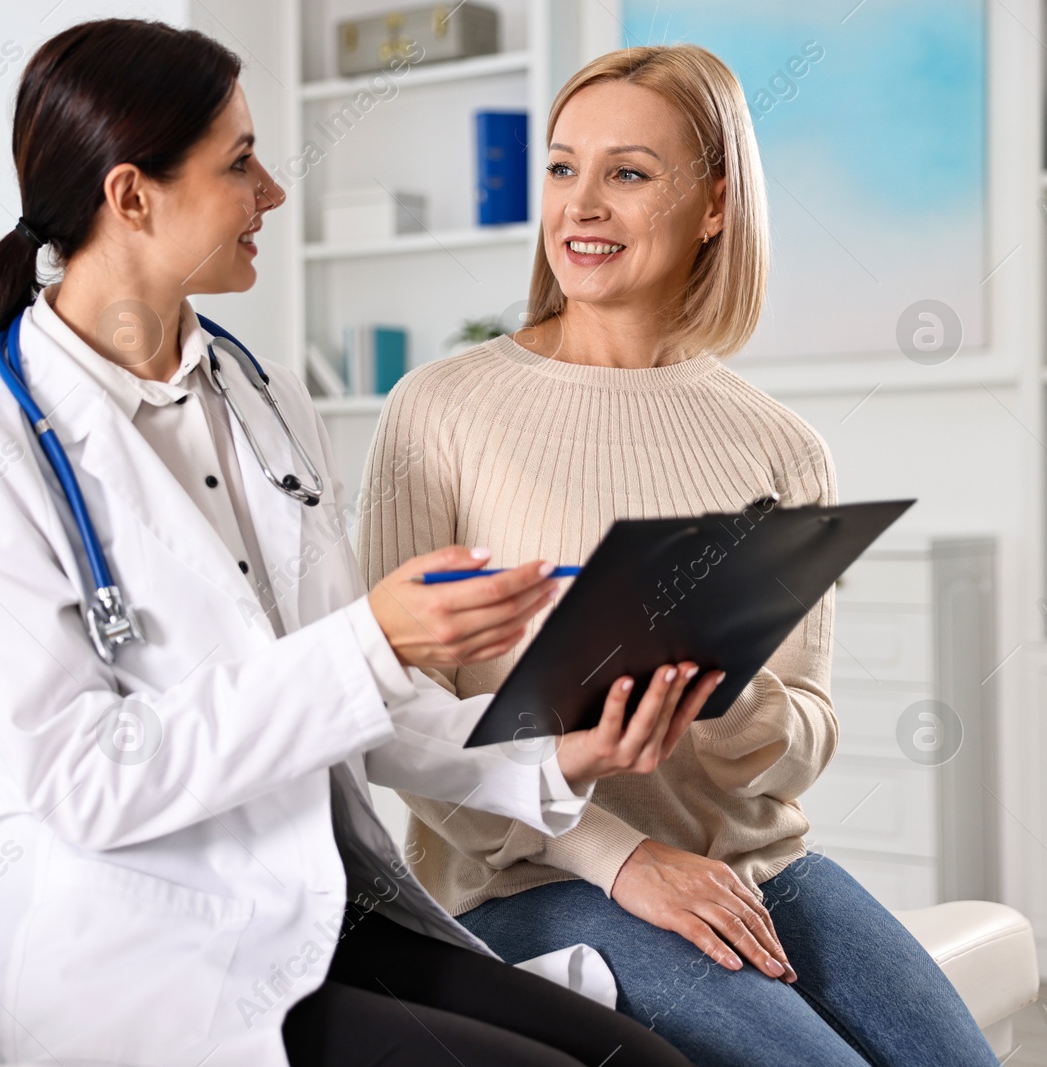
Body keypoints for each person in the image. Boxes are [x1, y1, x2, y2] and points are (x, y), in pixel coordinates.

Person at [0, 19, 711, 1067]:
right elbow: (85, 781)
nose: (272, 192)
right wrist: (372, 640)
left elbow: (359, 706)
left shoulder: (267, 401)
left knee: (645, 1061)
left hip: (317, 899)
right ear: (131, 196)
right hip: (134, 942)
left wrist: (553, 756)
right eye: (240, 162)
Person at [357, 43, 1000, 1067]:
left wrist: (729, 694)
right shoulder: (441, 411)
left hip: (758, 861)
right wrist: (622, 856)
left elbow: (806, 735)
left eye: (628, 172)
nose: (581, 205)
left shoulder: (779, 446)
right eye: (563, 168)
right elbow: (397, 712)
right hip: (534, 881)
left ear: (714, 204)